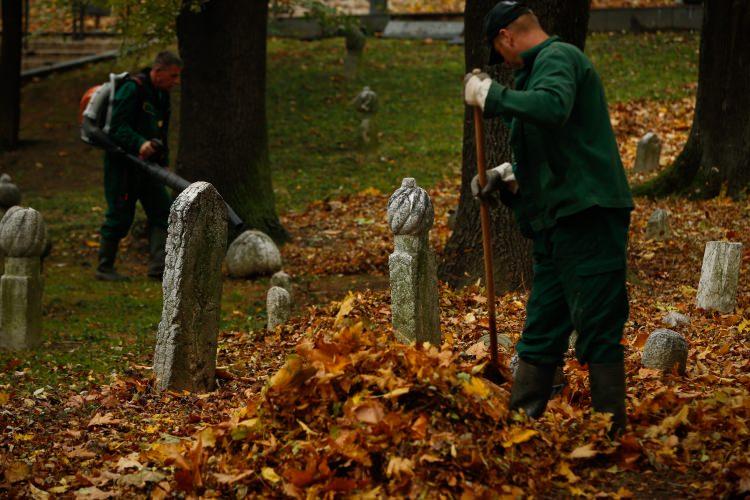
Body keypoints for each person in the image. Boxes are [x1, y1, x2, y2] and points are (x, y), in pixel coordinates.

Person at [463, 1, 634, 435]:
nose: (502, 63)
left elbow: (553, 108)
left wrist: (491, 96)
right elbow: (559, 148)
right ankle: (520, 428)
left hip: (589, 218)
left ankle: (610, 436)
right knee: (541, 329)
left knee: (597, 327)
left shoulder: (558, 59)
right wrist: (509, 177)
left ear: (506, 37)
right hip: (557, 225)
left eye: (499, 53)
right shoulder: (537, 71)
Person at [96, 51, 182, 281]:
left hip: (150, 168)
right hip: (122, 165)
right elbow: (116, 127)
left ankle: (158, 268)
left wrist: (162, 164)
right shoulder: (132, 89)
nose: (176, 82)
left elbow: (161, 135)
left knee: (163, 211)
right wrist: (139, 143)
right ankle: (104, 268)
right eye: (173, 76)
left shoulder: (162, 97)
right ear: (158, 71)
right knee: (119, 216)